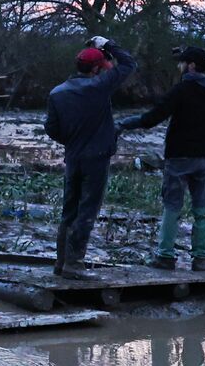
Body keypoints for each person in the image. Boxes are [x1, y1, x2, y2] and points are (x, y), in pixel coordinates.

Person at [119, 45, 205, 271]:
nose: (179, 66)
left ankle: (165, 255)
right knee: (202, 207)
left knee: (172, 206)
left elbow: (152, 118)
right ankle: (203, 256)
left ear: (191, 65)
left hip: (179, 155)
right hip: (204, 155)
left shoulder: (182, 89)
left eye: (182, 62)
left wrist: (125, 124)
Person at [44, 36, 137, 280]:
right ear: (96, 68)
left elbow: (51, 128)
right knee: (87, 210)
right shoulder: (99, 86)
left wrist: (71, 141)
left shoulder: (57, 93)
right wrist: (109, 44)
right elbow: (128, 64)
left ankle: (61, 262)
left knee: (69, 210)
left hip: (73, 156)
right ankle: (74, 263)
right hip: (96, 157)